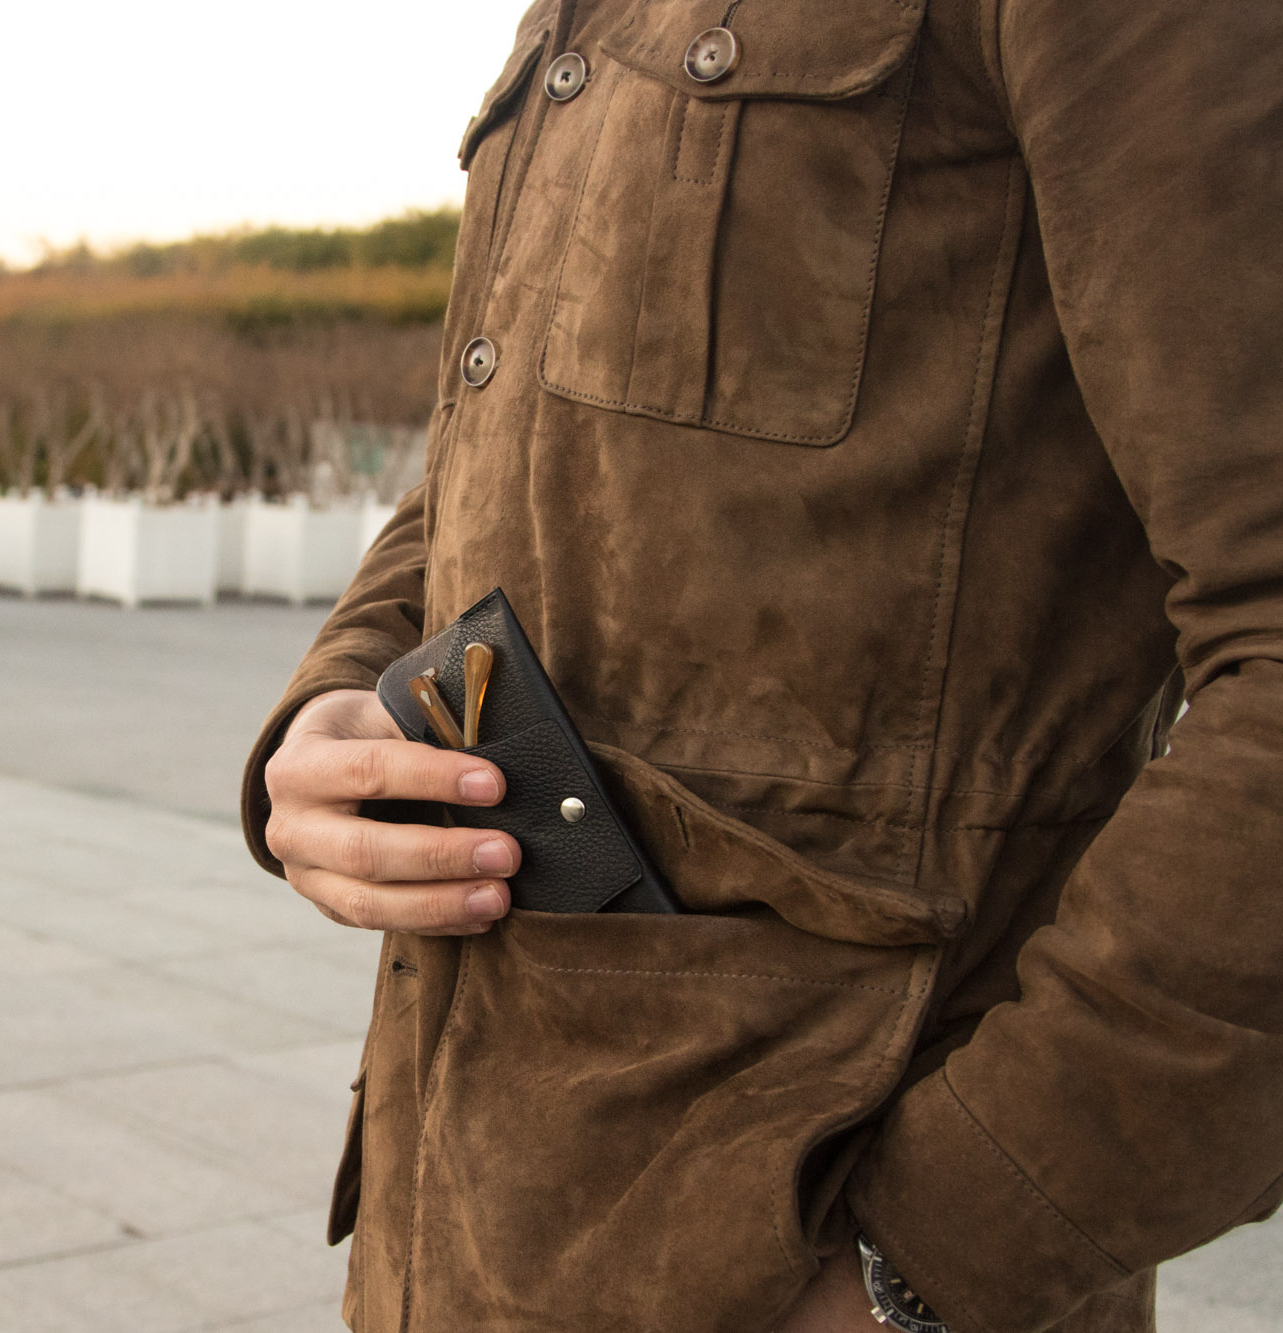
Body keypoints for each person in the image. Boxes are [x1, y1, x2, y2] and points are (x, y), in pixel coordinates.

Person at [245, 3, 1283, 1331]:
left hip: (807, 1259)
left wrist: (933, 1260)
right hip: (468, 1236)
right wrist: (340, 694)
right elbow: (505, 439)